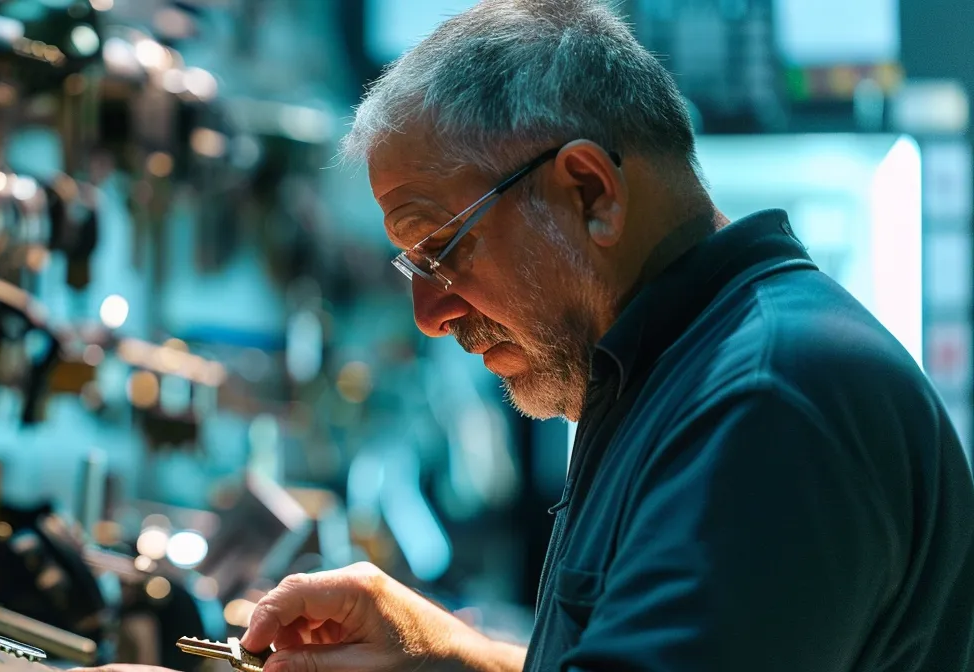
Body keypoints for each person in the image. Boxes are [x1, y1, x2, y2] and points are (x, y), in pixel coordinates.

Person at [77, 0, 974, 670]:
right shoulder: (679, 375)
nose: (430, 316)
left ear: (589, 191)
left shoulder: (765, 402)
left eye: (441, 249)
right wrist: (444, 654)